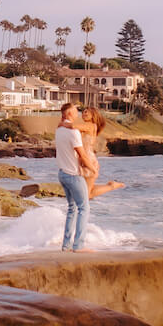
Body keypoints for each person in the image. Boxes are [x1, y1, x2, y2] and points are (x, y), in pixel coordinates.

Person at [54, 102, 94, 250]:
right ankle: (78, 246)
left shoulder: (59, 130)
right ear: (70, 113)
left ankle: (66, 246)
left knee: (72, 208)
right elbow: (81, 154)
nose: (78, 112)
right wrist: (93, 169)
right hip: (73, 175)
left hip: (62, 174)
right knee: (84, 208)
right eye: (76, 110)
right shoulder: (73, 132)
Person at [79, 106, 125, 201]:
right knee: (86, 193)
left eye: (86, 112)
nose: (84, 114)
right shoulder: (86, 126)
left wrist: (64, 122)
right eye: (83, 112)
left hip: (89, 160)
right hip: (83, 160)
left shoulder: (90, 125)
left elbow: (72, 127)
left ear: (93, 115)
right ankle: (111, 186)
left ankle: (112, 186)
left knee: (86, 195)